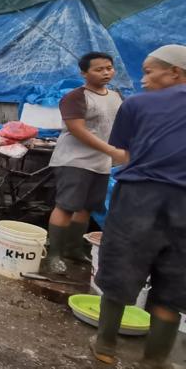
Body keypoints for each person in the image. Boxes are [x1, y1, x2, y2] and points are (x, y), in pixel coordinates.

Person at [91, 45, 186, 368]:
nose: (142, 79)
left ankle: (104, 345)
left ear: (175, 72)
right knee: (173, 286)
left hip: (139, 198)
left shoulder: (137, 104)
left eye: (149, 71)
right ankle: (154, 360)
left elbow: (124, 152)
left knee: (120, 270)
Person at [41, 52, 122, 276]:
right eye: (99, 69)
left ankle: (74, 249)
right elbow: (77, 130)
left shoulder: (115, 96)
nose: (106, 73)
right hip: (74, 161)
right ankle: (54, 254)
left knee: (87, 207)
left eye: (109, 68)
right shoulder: (75, 97)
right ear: (84, 73)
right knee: (67, 206)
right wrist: (110, 150)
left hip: (101, 163)